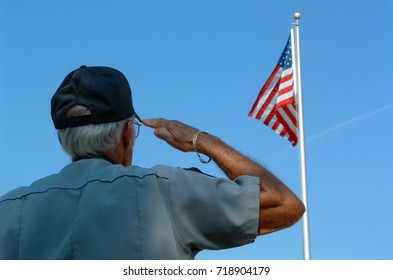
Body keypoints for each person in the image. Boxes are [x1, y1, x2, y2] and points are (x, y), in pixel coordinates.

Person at [0, 65, 305, 260]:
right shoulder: (165, 192)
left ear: (61, 140)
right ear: (127, 135)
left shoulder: (9, 211)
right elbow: (283, 204)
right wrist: (202, 140)